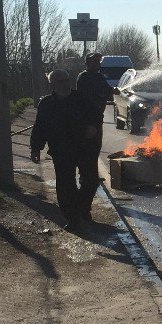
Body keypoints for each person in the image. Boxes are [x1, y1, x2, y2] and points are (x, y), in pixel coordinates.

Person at [30, 70, 89, 230]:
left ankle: (83, 210)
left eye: (67, 80)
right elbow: (39, 128)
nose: (65, 84)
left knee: (90, 180)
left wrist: (92, 127)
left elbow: (95, 115)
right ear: (52, 85)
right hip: (61, 150)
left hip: (84, 148)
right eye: (61, 82)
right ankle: (72, 218)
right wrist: (36, 148)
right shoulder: (47, 104)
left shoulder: (80, 99)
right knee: (65, 185)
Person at [75, 52, 113, 221]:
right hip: (87, 122)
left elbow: (106, 90)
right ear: (87, 63)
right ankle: (86, 176)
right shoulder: (84, 78)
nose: (97, 64)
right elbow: (88, 98)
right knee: (87, 151)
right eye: (94, 61)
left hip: (97, 120)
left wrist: (113, 90)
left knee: (95, 149)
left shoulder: (98, 77)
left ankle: (89, 174)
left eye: (98, 61)